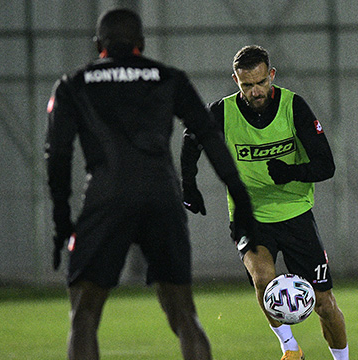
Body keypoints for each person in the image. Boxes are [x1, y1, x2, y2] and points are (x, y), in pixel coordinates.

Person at [45, 8, 255, 360]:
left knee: (83, 315)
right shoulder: (168, 77)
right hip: (161, 196)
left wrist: (61, 221)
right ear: (141, 43)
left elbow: (57, 155)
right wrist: (240, 197)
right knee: (184, 313)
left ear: (99, 44)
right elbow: (209, 136)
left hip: (105, 197)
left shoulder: (73, 85)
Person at [181, 45, 349, 360]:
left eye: (260, 82)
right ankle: (290, 348)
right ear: (235, 80)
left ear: (271, 75)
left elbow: (327, 165)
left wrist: (291, 173)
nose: (255, 91)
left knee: (325, 304)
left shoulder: (294, 106)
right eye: (247, 85)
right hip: (249, 215)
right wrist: (188, 185)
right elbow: (191, 139)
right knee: (263, 280)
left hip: (295, 214)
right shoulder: (222, 111)